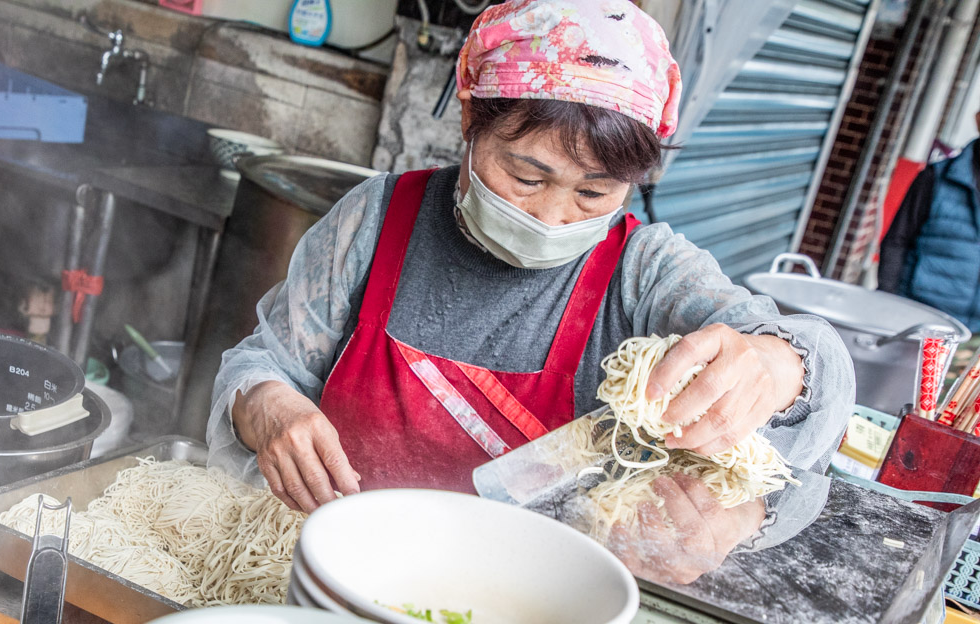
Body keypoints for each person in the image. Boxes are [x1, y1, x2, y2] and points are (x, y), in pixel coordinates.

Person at [208, 0, 854, 584]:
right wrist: (268, 407)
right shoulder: (377, 219)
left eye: (592, 193)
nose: (551, 216)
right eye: (525, 174)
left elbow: (813, 370)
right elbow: (266, 361)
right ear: (469, 119)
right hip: (330, 569)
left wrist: (776, 364)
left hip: (521, 608)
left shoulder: (645, 269)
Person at [879, 120, 980, 331]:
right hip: (918, 323)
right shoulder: (935, 179)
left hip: (974, 339)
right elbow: (897, 241)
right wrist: (887, 304)